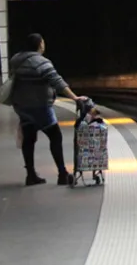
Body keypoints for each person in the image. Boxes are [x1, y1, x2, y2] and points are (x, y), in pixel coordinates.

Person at [9, 33, 85, 186]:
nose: (44, 45)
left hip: (22, 106)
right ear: (39, 45)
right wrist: (75, 98)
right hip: (40, 107)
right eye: (43, 43)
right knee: (55, 136)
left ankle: (30, 175)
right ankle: (62, 173)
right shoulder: (41, 62)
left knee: (29, 138)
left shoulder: (16, 60)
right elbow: (57, 81)